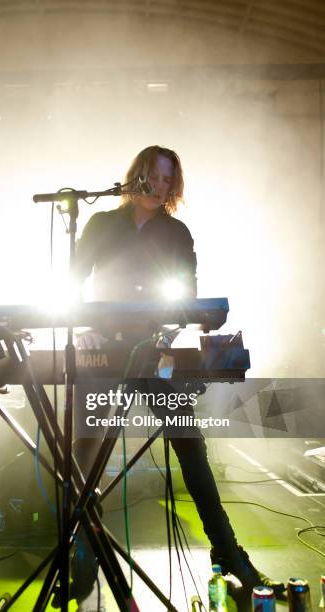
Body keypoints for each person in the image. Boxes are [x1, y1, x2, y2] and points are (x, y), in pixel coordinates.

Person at [70, 146, 285, 608]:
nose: (158, 184)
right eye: (151, 174)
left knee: (189, 445)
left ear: (173, 186)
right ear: (136, 176)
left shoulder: (176, 232)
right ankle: (84, 549)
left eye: (167, 179)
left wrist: (170, 332)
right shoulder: (100, 224)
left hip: (152, 349)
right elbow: (72, 282)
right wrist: (81, 326)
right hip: (102, 348)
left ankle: (227, 552)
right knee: (83, 445)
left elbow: (188, 296)